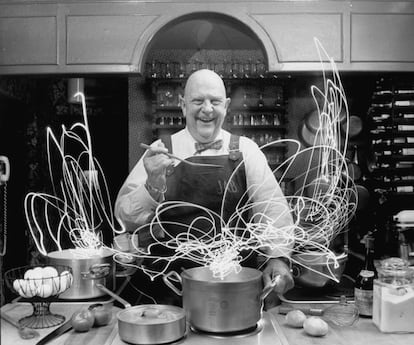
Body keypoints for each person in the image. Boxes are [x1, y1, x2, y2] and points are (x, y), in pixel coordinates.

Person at [115, 69, 294, 307]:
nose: (207, 109)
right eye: (198, 101)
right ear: (183, 105)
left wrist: (279, 258)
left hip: (234, 285)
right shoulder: (160, 150)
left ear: (226, 106)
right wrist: (152, 184)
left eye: (215, 101)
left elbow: (273, 211)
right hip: (173, 287)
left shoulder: (246, 150)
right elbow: (125, 218)